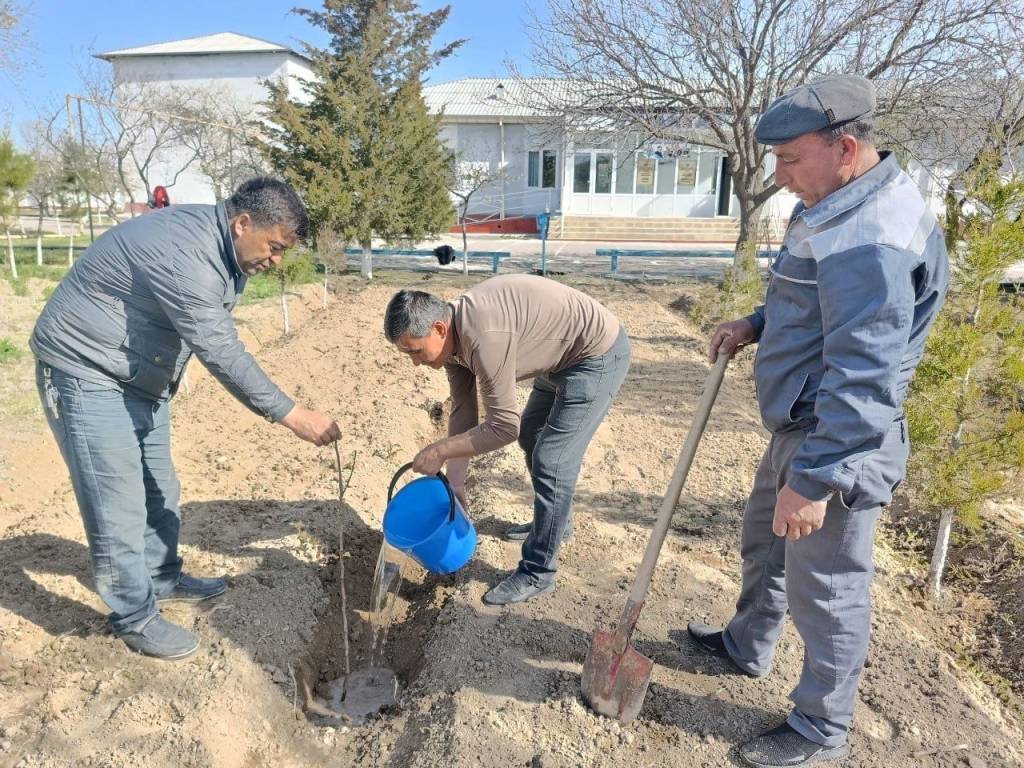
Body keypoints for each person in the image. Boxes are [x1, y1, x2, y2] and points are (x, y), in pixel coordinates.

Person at [685, 75, 949, 767]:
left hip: (838, 438)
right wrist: (757, 322)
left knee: (826, 593)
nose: (779, 175)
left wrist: (819, 476)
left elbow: (866, 373)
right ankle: (747, 645)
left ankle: (820, 729)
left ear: (846, 147)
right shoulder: (835, 200)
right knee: (765, 548)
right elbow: (813, 303)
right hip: (802, 424)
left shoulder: (874, 237)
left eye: (790, 159)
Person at [31, 177, 341, 661]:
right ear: (242, 223)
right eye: (275, 246)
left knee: (160, 487)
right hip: (85, 370)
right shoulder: (189, 254)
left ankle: (161, 576)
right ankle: (134, 616)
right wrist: (291, 414)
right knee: (117, 497)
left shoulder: (224, 248)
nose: (276, 260)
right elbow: (218, 347)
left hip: (136, 377)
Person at [383, 275, 631, 605]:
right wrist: (455, 485)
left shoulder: (484, 338)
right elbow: (463, 412)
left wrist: (440, 450)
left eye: (415, 351)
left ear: (439, 329)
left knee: (552, 459)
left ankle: (538, 572)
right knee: (532, 432)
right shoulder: (453, 344)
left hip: (593, 356)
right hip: (558, 358)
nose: (416, 362)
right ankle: (559, 525)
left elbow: (502, 427)